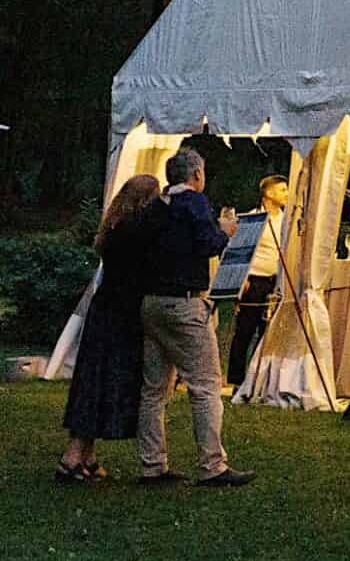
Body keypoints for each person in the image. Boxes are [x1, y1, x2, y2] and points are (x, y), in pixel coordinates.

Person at [136, 148, 253, 487]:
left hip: (152, 302)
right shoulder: (195, 203)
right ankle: (212, 465)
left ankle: (152, 464)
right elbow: (206, 243)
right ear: (196, 175)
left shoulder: (155, 206)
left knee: (153, 388)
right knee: (205, 384)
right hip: (184, 302)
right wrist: (226, 232)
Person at [58, 174, 162, 483]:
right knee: (102, 381)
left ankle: (84, 453)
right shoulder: (135, 231)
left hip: (105, 310)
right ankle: (73, 455)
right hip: (120, 314)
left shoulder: (115, 226)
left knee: (94, 378)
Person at [225, 175, 291, 390]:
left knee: (267, 331)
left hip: (275, 280)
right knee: (245, 330)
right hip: (254, 280)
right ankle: (236, 380)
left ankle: (258, 379)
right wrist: (241, 279)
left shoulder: (287, 220)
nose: (286, 194)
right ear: (268, 193)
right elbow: (241, 251)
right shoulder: (253, 219)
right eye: (282, 190)